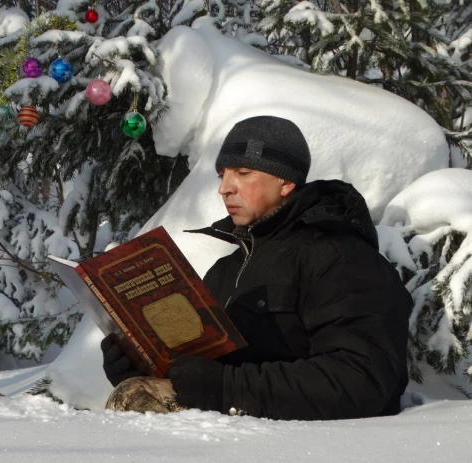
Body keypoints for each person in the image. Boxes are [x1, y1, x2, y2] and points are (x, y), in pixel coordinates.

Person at [101, 116, 412, 420]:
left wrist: (226, 388)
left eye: (243, 172)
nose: (225, 188)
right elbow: (204, 372)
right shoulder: (227, 269)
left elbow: (362, 380)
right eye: (222, 174)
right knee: (132, 393)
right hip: (235, 432)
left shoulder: (340, 257)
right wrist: (140, 366)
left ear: (286, 181)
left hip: (312, 443)